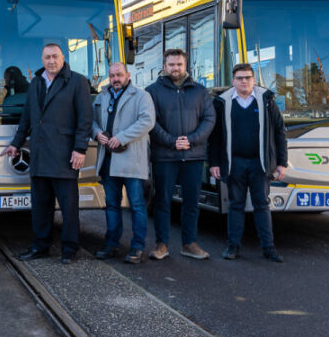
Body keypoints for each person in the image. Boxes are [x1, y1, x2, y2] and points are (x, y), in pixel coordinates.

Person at [3, 43, 93, 265]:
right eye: (47, 57)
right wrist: (16, 143)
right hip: (40, 156)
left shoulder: (77, 81)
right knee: (40, 208)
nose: (51, 61)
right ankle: (40, 247)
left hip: (65, 156)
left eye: (55, 56)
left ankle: (69, 250)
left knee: (69, 208)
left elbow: (85, 119)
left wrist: (80, 148)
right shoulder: (36, 82)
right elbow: (27, 118)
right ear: (42, 60)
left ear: (63, 58)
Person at [209, 63, 287, 263]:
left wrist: (282, 162)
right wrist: (215, 163)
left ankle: (268, 248)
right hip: (235, 163)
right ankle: (233, 247)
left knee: (262, 205)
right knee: (235, 205)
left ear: (254, 80)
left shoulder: (266, 100)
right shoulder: (223, 102)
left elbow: (279, 132)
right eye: (240, 78)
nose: (244, 81)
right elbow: (216, 136)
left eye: (247, 78)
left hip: (260, 163)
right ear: (233, 81)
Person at [146, 48, 215, 261]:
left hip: (193, 155)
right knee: (163, 202)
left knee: (191, 202)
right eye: (171, 64)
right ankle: (162, 244)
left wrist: (191, 139)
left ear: (186, 65)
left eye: (179, 64)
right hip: (165, 156)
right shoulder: (152, 91)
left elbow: (209, 119)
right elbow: (150, 122)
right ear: (164, 66)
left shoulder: (200, 91)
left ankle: (189, 243)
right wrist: (171, 141)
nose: (175, 68)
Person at [92, 62, 155, 264]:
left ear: (128, 75)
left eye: (119, 75)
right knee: (111, 205)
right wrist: (97, 133)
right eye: (112, 76)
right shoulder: (102, 96)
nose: (115, 79)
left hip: (131, 159)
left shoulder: (141, 96)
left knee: (136, 205)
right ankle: (112, 244)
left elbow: (147, 122)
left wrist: (122, 137)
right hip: (108, 160)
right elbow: (90, 120)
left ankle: (137, 248)